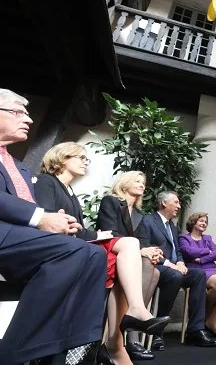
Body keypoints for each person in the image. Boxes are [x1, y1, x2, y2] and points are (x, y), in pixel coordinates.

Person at [34, 143, 170, 364]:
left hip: (79, 243)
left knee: (129, 252)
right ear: (62, 158)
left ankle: (118, 340)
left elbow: (81, 228)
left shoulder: (70, 192)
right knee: (128, 245)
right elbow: (47, 219)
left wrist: (97, 233)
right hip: (60, 248)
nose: (86, 162)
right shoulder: (46, 182)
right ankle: (126, 327)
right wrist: (81, 229)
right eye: (81, 157)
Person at [0, 88, 106, 365]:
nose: (29, 119)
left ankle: (77, 348)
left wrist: (56, 222)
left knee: (93, 254)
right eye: (18, 112)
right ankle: (18, 351)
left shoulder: (19, 166)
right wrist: (41, 218)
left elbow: (34, 211)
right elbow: (28, 211)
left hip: (18, 237)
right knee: (73, 252)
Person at [96, 170, 164, 360]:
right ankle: (133, 325)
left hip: (128, 252)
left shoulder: (140, 215)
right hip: (108, 248)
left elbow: (141, 240)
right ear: (124, 183)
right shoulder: (111, 201)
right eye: (137, 181)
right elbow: (110, 230)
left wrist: (150, 250)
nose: (142, 185)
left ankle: (133, 323)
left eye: (143, 182)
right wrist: (141, 250)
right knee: (142, 259)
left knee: (154, 270)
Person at [137, 191, 216, 349]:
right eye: (176, 202)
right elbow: (143, 247)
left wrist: (180, 262)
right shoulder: (147, 220)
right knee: (175, 276)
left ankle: (195, 330)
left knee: (198, 275)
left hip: (175, 268)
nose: (179, 206)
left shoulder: (172, 227)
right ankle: (157, 330)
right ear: (164, 203)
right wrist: (169, 263)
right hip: (156, 267)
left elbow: (178, 251)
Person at [179, 212, 216, 337]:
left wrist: (202, 259)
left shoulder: (207, 238)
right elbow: (188, 252)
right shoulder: (184, 238)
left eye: (205, 222)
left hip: (209, 267)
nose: (204, 223)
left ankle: (211, 320)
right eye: (201, 221)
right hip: (195, 270)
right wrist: (207, 251)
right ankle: (203, 315)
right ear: (193, 222)